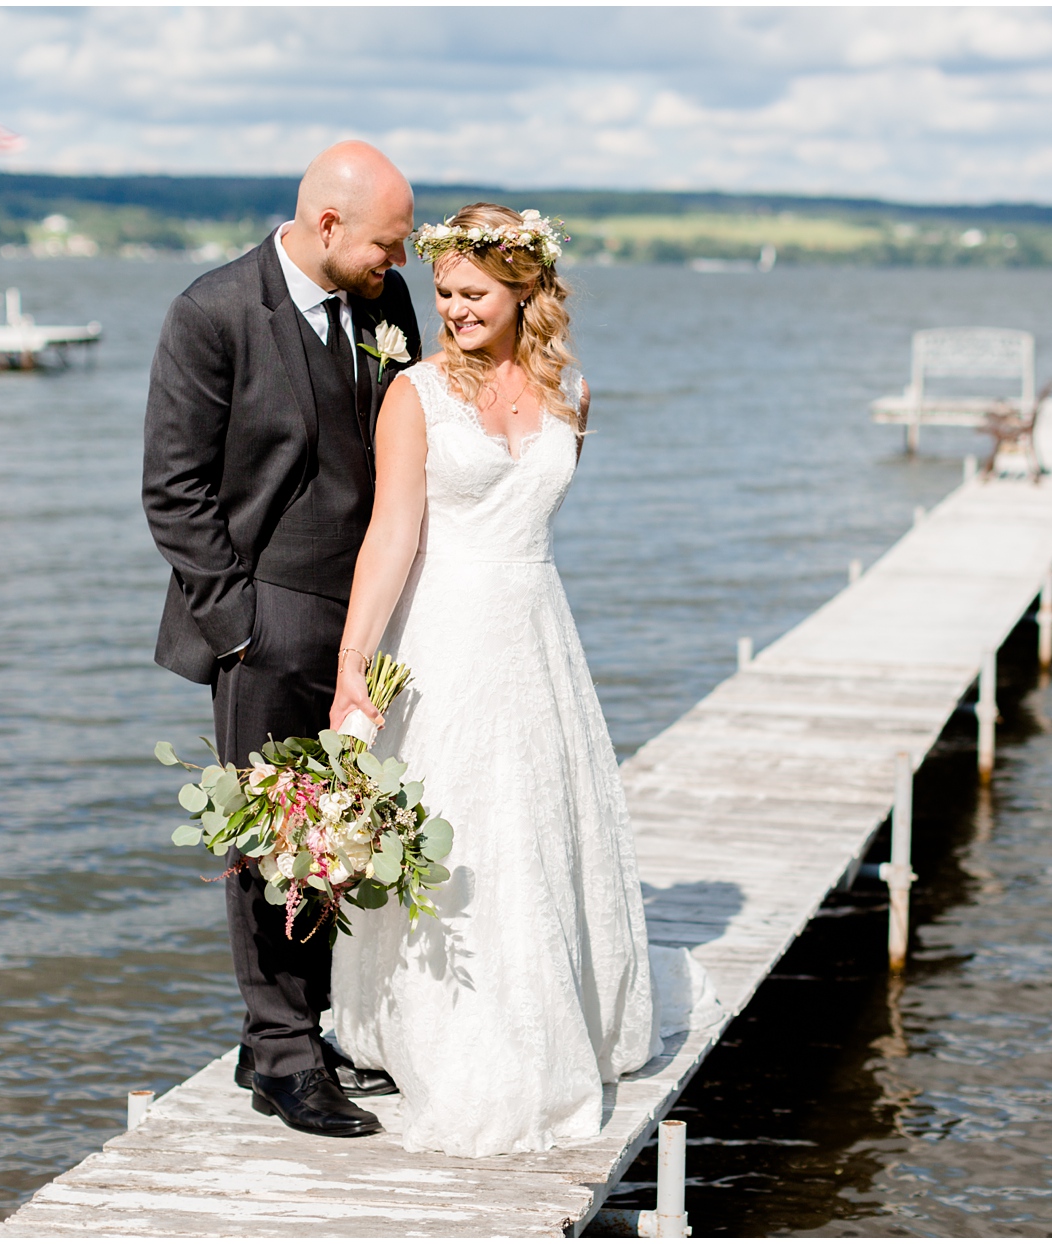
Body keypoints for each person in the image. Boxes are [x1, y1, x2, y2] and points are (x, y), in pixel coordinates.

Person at [325, 203, 663, 1156]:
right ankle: (456, 1039)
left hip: (538, 635)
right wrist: (355, 664)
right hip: (444, 641)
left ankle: (560, 1024)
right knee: (467, 830)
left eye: (473, 294)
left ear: (525, 291)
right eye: (442, 294)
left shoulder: (573, 393)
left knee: (542, 827)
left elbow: (534, 516)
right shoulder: (415, 395)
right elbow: (392, 534)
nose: (453, 311)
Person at [141, 141, 421, 1138]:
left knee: (341, 834)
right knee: (269, 842)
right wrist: (241, 631)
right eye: (391, 239)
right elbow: (174, 492)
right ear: (329, 223)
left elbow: (403, 447)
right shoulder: (212, 314)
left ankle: (301, 1034)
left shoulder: (385, 308)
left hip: (361, 624)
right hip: (262, 626)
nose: (404, 258)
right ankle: (284, 1051)